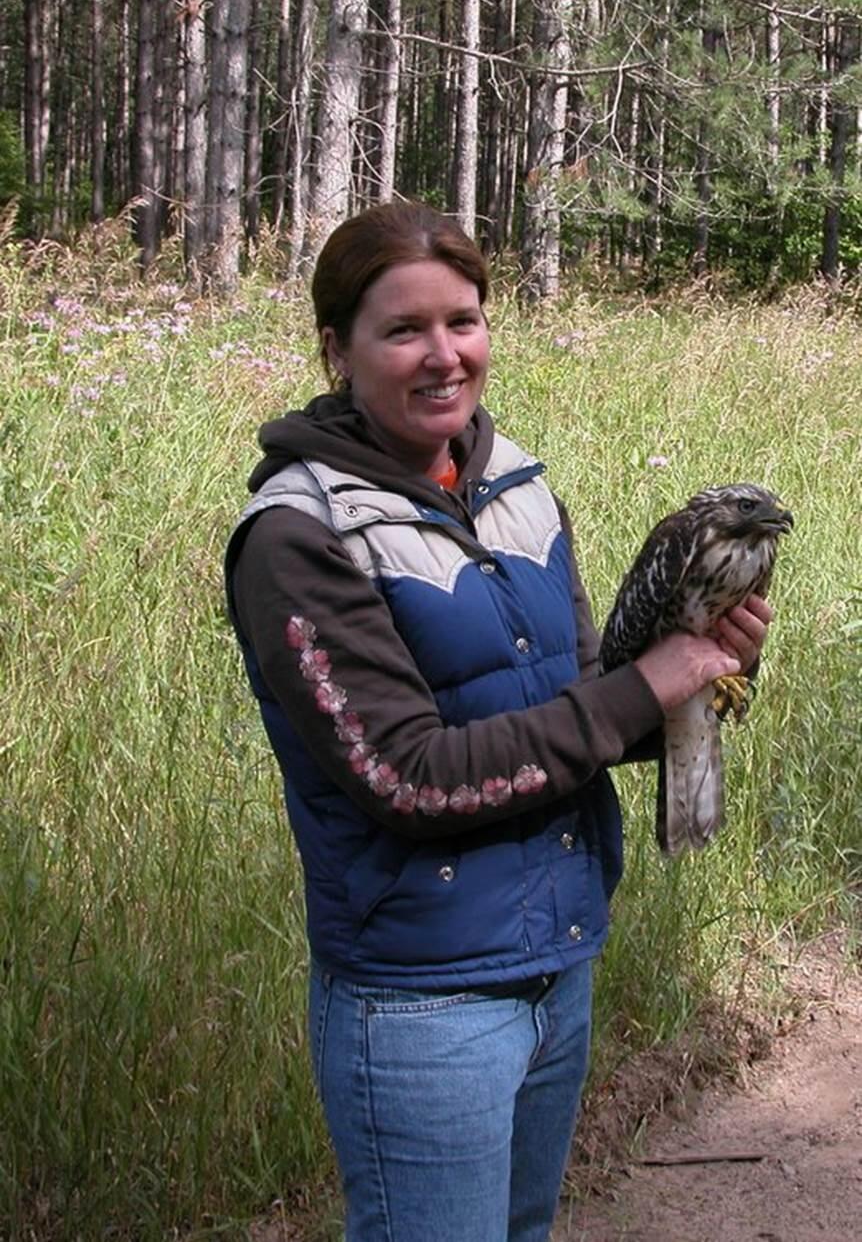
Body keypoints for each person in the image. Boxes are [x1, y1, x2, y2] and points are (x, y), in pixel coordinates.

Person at [224, 201, 771, 1242]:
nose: (443, 356)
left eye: (464, 321)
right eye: (404, 330)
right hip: (422, 1003)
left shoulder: (515, 484)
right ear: (336, 348)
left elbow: (581, 713)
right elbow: (410, 779)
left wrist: (704, 672)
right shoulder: (301, 533)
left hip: (555, 961)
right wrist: (641, 684)